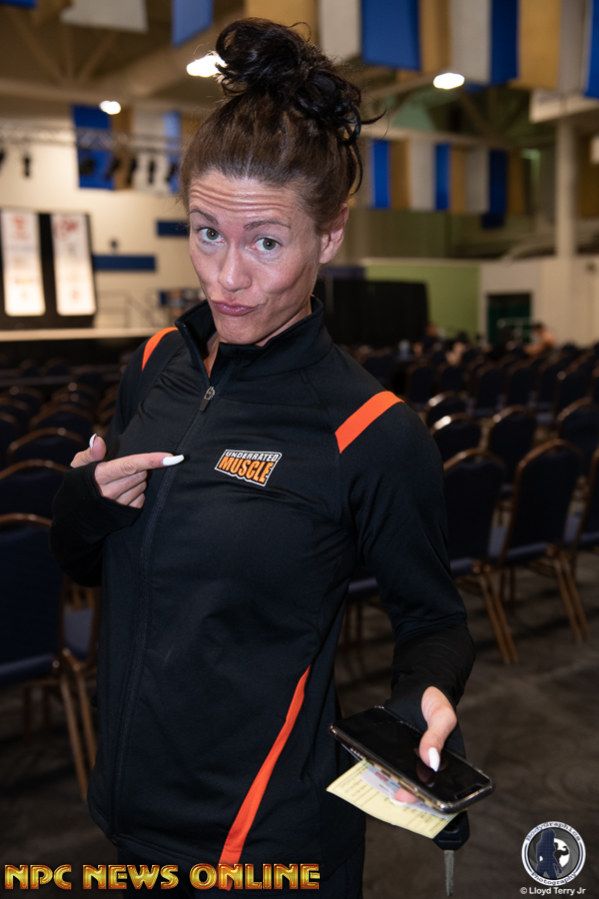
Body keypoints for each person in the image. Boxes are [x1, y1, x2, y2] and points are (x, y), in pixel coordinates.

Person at [50, 18, 475, 897]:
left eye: (265, 242)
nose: (226, 276)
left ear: (329, 236)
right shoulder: (153, 367)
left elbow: (433, 622)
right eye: (206, 232)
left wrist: (426, 694)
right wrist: (85, 500)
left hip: (265, 842)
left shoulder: (370, 430)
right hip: (126, 817)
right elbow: (87, 561)